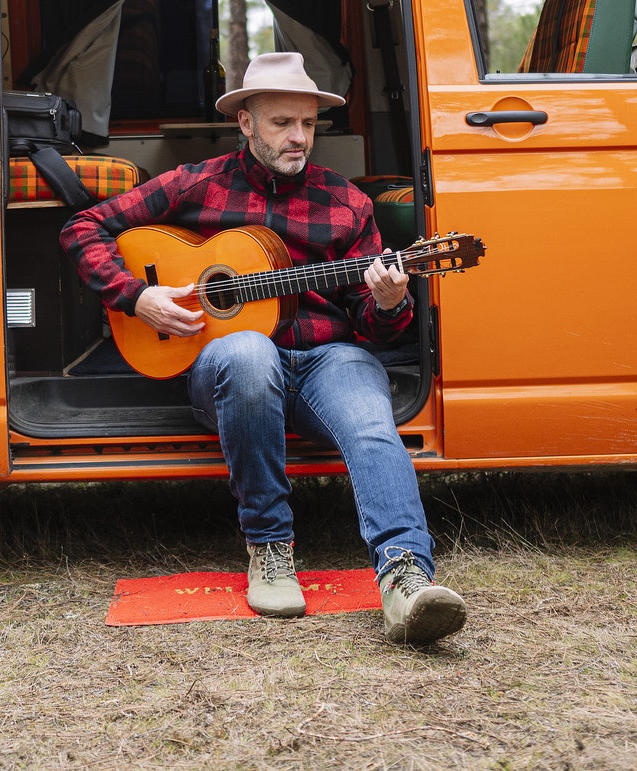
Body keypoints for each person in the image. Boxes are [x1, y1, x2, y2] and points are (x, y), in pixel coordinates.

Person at [60, 52, 467, 644]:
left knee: (371, 422)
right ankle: (271, 549)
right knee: (248, 351)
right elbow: (82, 228)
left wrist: (387, 302)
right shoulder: (197, 182)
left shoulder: (347, 203)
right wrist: (137, 296)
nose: (299, 137)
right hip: (229, 368)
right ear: (246, 123)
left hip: (328, 359)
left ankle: (406, 579)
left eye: (307, 123)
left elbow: (376, 328)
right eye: (281, 123)